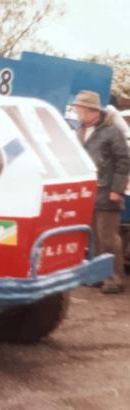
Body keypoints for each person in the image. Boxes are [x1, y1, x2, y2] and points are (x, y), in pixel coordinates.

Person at [72, 90, 130, 294]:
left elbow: (124, 161)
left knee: (108, 238)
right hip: (90, 191)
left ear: (91, 110)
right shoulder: (81, 130)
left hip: (107, 191)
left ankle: (115, 278)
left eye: (79, 108)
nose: (77, 111)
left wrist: (117, 190)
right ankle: (99, 276)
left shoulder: (111, 131)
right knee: (94, 237)